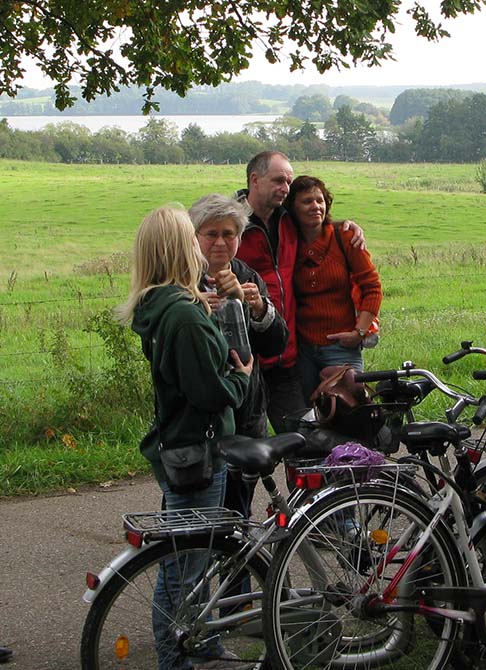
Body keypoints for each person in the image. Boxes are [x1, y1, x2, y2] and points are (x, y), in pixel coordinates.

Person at [116, 205, 252, 669]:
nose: (203, 246)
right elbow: (210, 391)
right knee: (184, 564)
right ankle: (175, 659)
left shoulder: (158, 305)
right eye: (194, 240)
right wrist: (242, 378)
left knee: (195, 555)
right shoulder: (185, 315)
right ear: (180, 248)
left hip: (179, 442)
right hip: (201, 448)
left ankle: (205, 645)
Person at [234, 151, 363, 432]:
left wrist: (346, 227)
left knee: (303, 441)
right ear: (254, 180)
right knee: (247, 453)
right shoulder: (230, 224)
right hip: (244, 361)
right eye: (279, 181)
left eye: (288, 182)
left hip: (285, 358)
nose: (285, 189)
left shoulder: (287, 218)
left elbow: (318, 220)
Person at [190, 193, 287, 523]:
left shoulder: (247, 275)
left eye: (229, 234)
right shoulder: (180, 280)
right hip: (199, 426)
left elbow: (276, 344)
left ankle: (242, 577)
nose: (220, 242)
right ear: (194, 237)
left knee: (238, 519)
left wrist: (259, 306)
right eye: (211, 234)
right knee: (192, 523)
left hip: (246, 415)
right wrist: (199, 304)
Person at [285, 176, 383, 400]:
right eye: (307, 201)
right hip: (302, 350)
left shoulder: (345, 237)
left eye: (320, 200)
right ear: (292, 207)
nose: (315, 206)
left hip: (342, 348)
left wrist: (359, 333)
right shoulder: (288, 242)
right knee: (311, 417)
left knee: (349, 411)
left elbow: (373, 287)